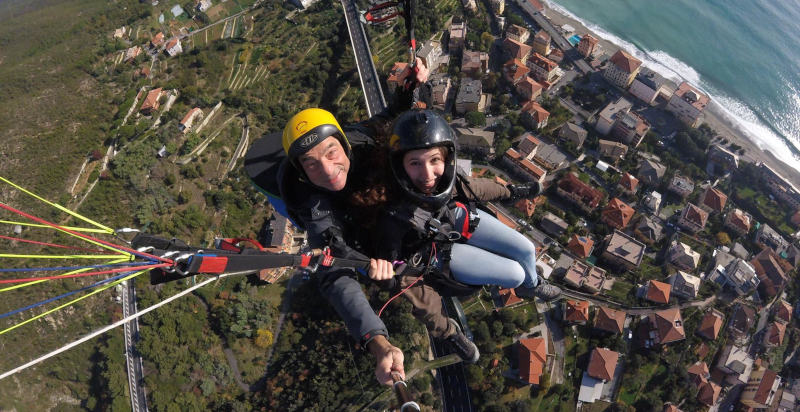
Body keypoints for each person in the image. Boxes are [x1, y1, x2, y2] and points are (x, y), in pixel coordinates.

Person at [255, 60, 480, 386]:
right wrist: (378, 340)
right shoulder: (313, 205)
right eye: (311, 164)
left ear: (345, 144)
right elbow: (335, 274)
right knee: (413, 291)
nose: (328, 170)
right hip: (362, 247)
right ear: (302, 173)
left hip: (389, 220)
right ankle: (449, 333)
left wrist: (408, 89)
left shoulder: (359, 139)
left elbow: (389, 117)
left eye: (331, 152)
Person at [375, 110, 562, 301]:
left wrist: (511, 192)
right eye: (415, 163)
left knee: (527, 249)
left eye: (434, 160)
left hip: (457, 219)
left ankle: (532, 286)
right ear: (400, 165)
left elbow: (474, 188)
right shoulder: (393, 215)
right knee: (516, 274)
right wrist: (389, 281)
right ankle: (526, 283)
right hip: (438, 251)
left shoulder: (446, 181)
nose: (428, 174)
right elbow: (394, 267)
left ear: (446, 159)